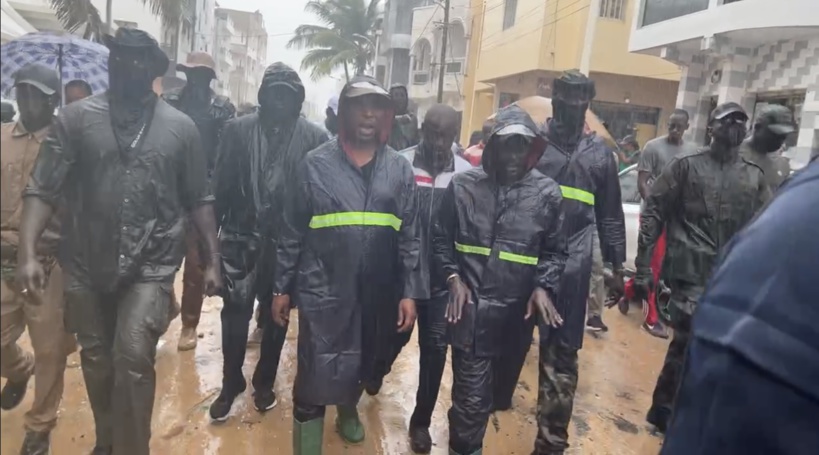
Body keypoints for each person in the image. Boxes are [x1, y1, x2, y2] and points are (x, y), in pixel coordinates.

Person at [16, 28, 223, 455]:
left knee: (131, 353)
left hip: (151, 265)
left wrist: (212, 258)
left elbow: (199, 198)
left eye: (135, 58)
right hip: (86, 261)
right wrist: (28, 253)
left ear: (152, 67)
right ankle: (108, 437)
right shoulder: (74, 120)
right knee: (96, 359)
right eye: (118, 57)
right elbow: (42, 188)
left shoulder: (181, 129)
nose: (124, 65)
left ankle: (132, 447)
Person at [271, 76, 419, 453]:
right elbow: (291, 231)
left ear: (386, 116)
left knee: (361, 364)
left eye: (376, 106)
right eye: (359, 105)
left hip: (378, 291)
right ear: (344, 114)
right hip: (323, 290)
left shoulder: (399, 170)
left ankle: (348, 409)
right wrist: (281, 287)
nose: (368, 113)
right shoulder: (314, 165)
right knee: (314, 375)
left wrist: (410, 292)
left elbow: (411, 235)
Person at [434, 105, 567, 455]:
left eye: (522, 146)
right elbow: (439, 241)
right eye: (506, 145)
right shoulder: (462, 188)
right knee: (470, 407)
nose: (514, 155)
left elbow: (555, 252)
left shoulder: (548, 195)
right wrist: (452, 277)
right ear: (490, 146)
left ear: (532, 149)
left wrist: (543, 285)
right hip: (470, 316)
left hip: (515, 322)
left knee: (497, 399)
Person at [661, 160, 819, 455]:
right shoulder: (688, 165)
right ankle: (661, 407)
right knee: (682, 342)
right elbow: (658, 207)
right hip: (697, 269)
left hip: (725, 268)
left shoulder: (765, 178)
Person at [635, 102, 770, 435]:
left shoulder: (753, 176)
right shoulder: (685, 166)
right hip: (688, 275)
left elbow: (767, 227)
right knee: (689, 338)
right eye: (727, 122)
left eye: (741, 123)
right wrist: (642, 267)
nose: (735, 128)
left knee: (712, 346)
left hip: (730, 276)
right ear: (711, 127)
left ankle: (677, 409)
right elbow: (653, 212)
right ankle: (668, 411)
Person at [208, 62, 328, 422]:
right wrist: (210, 249)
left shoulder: (315, 138)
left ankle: (264, 382)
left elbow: (317, 199)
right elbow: (221, 189)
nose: (278, 102)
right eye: (272, 93)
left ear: (298, 100)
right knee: (234, 316)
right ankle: (231, 382)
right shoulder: (237, 131)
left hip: (286, 244)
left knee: (277, 318)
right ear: (261, 95)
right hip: (240, 240)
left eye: (286, 95)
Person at [532, 70, 626, 454]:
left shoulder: (600, 156)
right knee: (497, 350)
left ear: (588, 106)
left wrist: (617, 266)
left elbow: (610, 216)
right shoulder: (530, 145)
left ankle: (551, 442)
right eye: (566, 102)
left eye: (580, 103)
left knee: (562, 356)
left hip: (572, 269)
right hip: (519, 263)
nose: (573, 110)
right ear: (554, 101)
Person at [381, 104, 470, 453]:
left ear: (454, 135)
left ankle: (420, 422)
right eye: (430, 131)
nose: (436, 140)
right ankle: (376, 371)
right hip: (401, 277)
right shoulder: (399, 164)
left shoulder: (465, 174)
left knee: (435, 353)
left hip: (441, 282)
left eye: (443, 134)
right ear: (421, 129)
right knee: (392, 338)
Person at [1, 63, 72, 455]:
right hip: (2, 258)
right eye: (21, 92)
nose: (26, 101)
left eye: (35, 94)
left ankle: (39, 426)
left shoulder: (66, 146)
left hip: (48, 262)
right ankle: (16, 368)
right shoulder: (0, 139)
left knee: (50, 351)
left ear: (52, 100)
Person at [163, 51, 235, 351]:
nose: (196, 80)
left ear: (209, 79)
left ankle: (189, 324)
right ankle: (165, 306)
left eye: (202, 75)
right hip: (167, 192)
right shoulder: (169, 102)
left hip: (202, 195)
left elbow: (227, 154)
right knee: (159, 261)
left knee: (194, 265)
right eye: (192, 74)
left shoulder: (222, 109)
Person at [629, 109, 697, 338]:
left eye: (679, 126)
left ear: (687, 126)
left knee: (668, 268)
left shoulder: (692, 151)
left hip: (677, 219)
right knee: (653, 268)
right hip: (654, 217)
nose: (675, 130)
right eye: (671, 126)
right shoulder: (653, 147)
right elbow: (642, 182)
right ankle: (650, 319)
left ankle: (627, 292)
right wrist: (655, 209)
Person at [739, 104, 794, 192]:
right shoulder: (732, 156)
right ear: (757, 127)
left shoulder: (783, 165)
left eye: (784, 135)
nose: (780, 139)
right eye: (775, 133)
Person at [388, 83, 419, 151]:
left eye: (402, 95)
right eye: (396, 95)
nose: (399, 99)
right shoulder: (385, 118)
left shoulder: (412, 118)